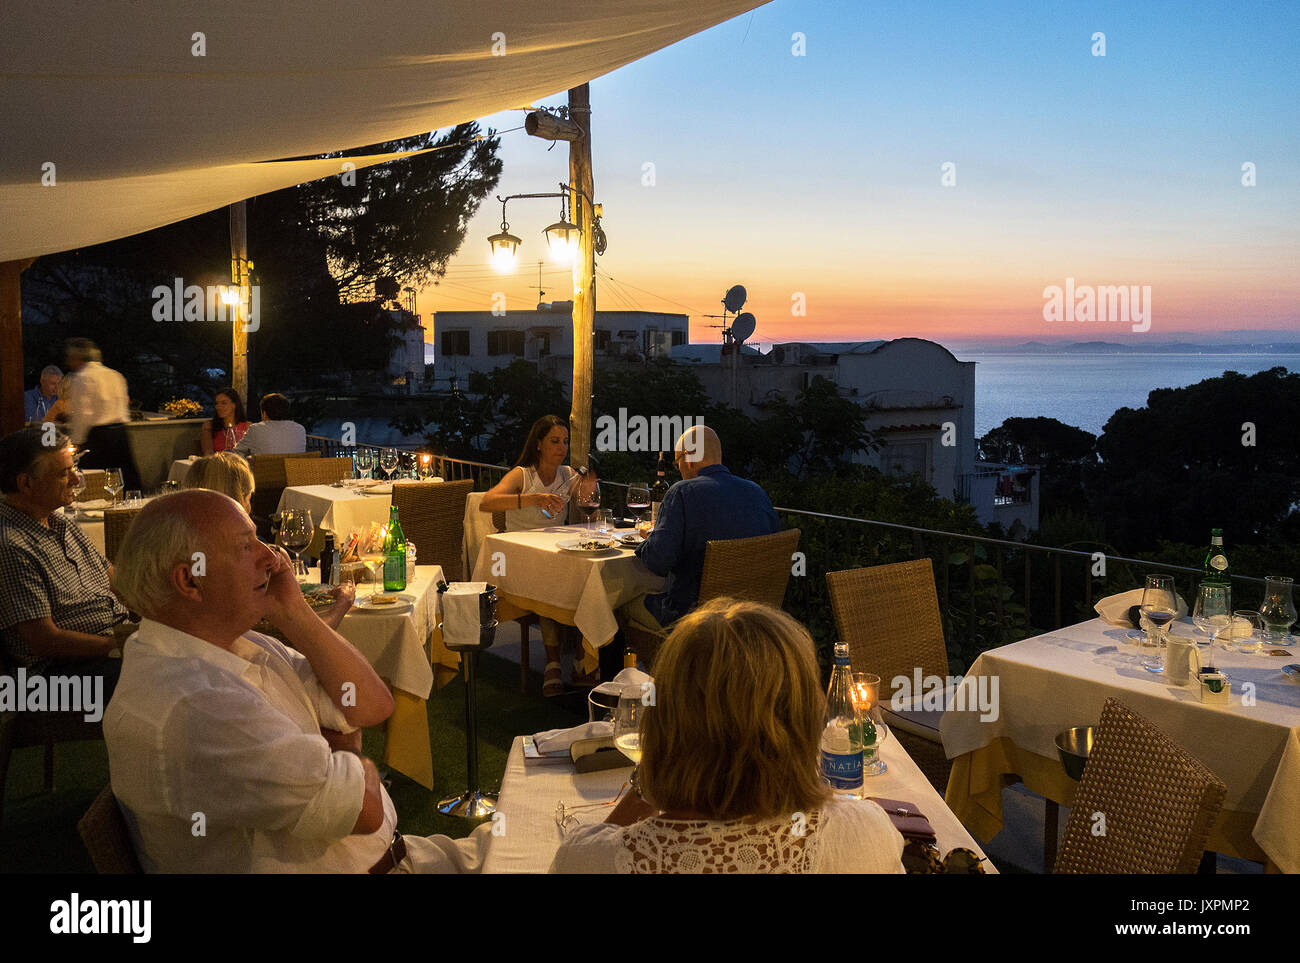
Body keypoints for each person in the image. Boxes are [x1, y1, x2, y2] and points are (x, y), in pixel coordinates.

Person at [104, 490, 487, 873]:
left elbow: (372, 705)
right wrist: (346, 750)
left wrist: (295, 612)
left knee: (529, 823)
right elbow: (364, 809)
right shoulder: (195, 704)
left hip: (402, 855)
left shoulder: (236, 642)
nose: (272, 557)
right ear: (190, 580)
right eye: (244, 546)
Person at [550, 599, 906, 873]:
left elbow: (588, 850)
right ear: (803, 724)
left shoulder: (591, 860)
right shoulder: (864, 839)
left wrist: (649, 780)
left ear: (664, 724)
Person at [0, 427, 130, 695]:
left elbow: (115, 579)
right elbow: (45, 641)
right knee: (168, 675)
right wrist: (119, 645)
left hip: (107, 647)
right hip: (55, 676)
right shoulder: (11, 545)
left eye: (74, 468)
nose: (76, 480)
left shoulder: (60, 523)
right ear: (26, 484)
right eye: (63, 473)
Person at [478, 414, 597, 695]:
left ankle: (583, 659)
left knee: (585, 581)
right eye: (555, 441)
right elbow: (487, 502)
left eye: (565, 441)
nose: (562, 447)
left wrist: (589, 488)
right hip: (521, 557)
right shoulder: (523, 475)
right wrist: (533, 498)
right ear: (539, 444)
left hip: (553, 552)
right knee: (551, 581)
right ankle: (554, 662)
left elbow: (589, 499)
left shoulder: (568, 474)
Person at [623, 425, 779, 632]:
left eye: (677, 462)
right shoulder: (757, 492)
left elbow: (658, 562)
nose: (678, 469)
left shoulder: (682, 492)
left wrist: (649, 541)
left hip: (696, 618)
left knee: (621, 602)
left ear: (688, 458)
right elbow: (772, 546)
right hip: (752, 615)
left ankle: (632, 664)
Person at [182, 452, 354, 630]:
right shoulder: (266, 559)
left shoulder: (184, 556)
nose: (250, 506)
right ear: (241, 499)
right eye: (249, 497)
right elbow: (307, 635)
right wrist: (342, 604)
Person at [63, 338, 140, 490]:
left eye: (70, 358)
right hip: (120, 435)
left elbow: (82, 415)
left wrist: (76, 442)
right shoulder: (115, 375)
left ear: (77, 357)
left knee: (93, 486)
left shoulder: (82, 378)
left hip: (98, 438)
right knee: (125, 481)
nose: (69, 363)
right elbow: (123, 405)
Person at [233, 392, 306, 457]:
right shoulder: (300, 429)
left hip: (263, 472)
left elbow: (237, 452)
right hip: (293, 471)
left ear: (264, 413)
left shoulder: (256, 429)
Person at [200, 387, 251, 455]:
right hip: (218, 463)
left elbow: (252, 452)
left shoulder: (247, 426)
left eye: (224, 403)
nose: (218, 407)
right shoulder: (209, 425)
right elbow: (208, 452)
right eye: (217, 403)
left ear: (234, 405)